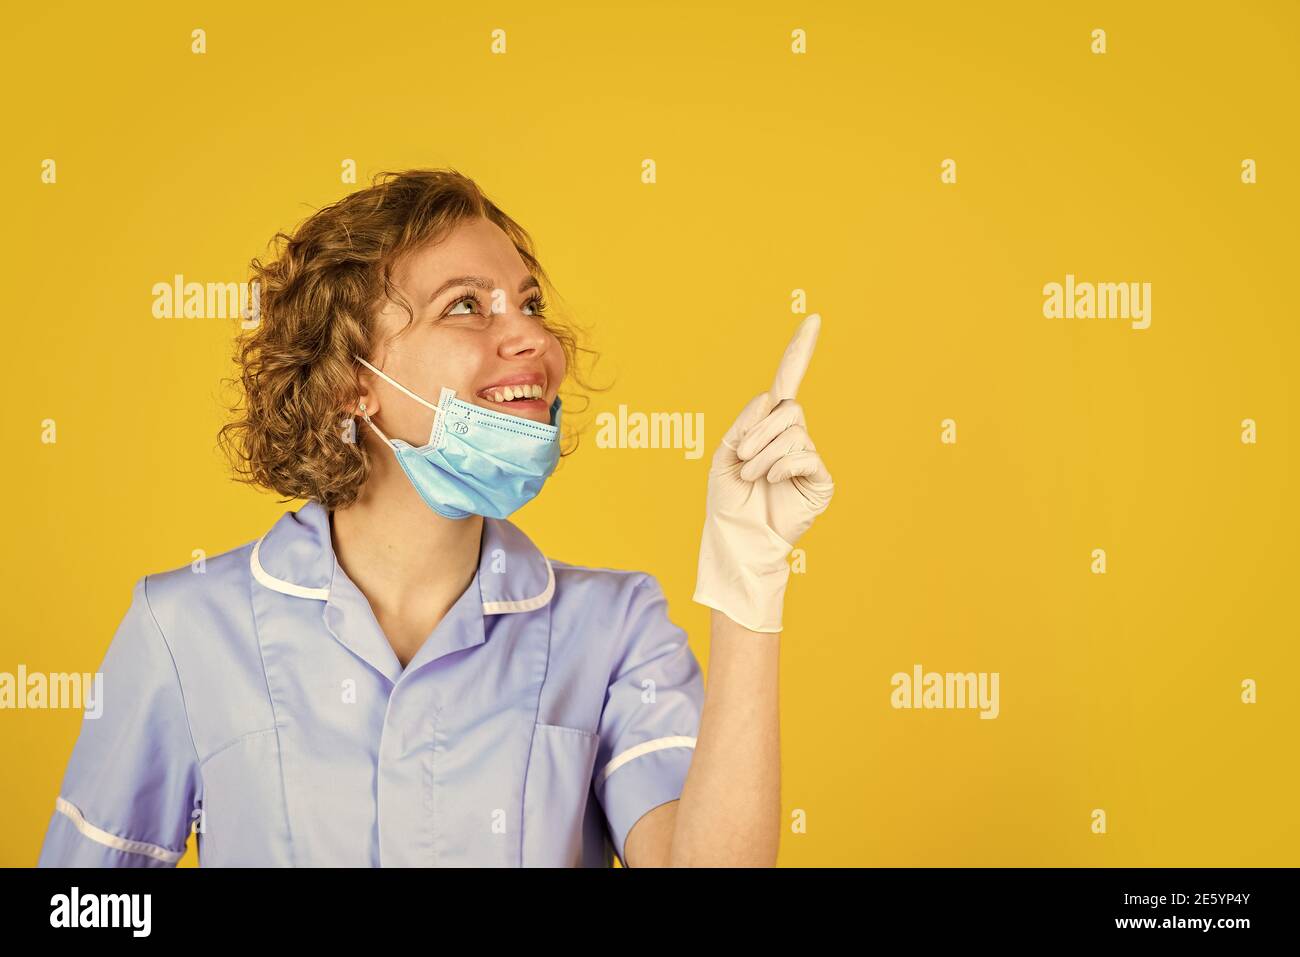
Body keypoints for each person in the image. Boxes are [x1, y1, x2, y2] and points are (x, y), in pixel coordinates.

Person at [36, 169, 834, 868]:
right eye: (466, 306)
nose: (530, 333)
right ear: (353, 380)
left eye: (528, 303)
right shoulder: (184, 630)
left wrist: (748, 576)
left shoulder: (616, 629)